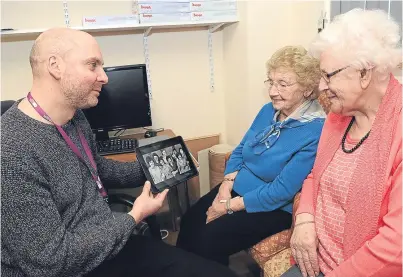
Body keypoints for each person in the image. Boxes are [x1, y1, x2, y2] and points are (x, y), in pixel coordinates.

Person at [1, 27, 238, 277]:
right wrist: (134, 216)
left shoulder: (75, 117)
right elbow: (51, 262)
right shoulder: (12, 152)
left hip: (106, 245)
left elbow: (98, 169)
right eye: (92, 65)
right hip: (70, 267)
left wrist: (161, 165)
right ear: (55, 66)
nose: (104, 77)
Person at [176, 45, 327, 265]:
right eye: (271, 82)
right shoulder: (268, 110)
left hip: (271, 206)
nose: (273, 91)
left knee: (207, 240)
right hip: (236, 189)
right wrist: (226, 185)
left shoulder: (315, 130)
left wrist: (227, 206)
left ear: (306, 89)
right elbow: (240, 150)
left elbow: (282, 191)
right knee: (190, 220)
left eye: (282, 84)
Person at [283, 8, 402, 277]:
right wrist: (304, 218)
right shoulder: (339, 115)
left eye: (328, 75)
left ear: (364, 73)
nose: (321, 87)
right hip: (313, 264)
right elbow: (316, 176)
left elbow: (397, 247)